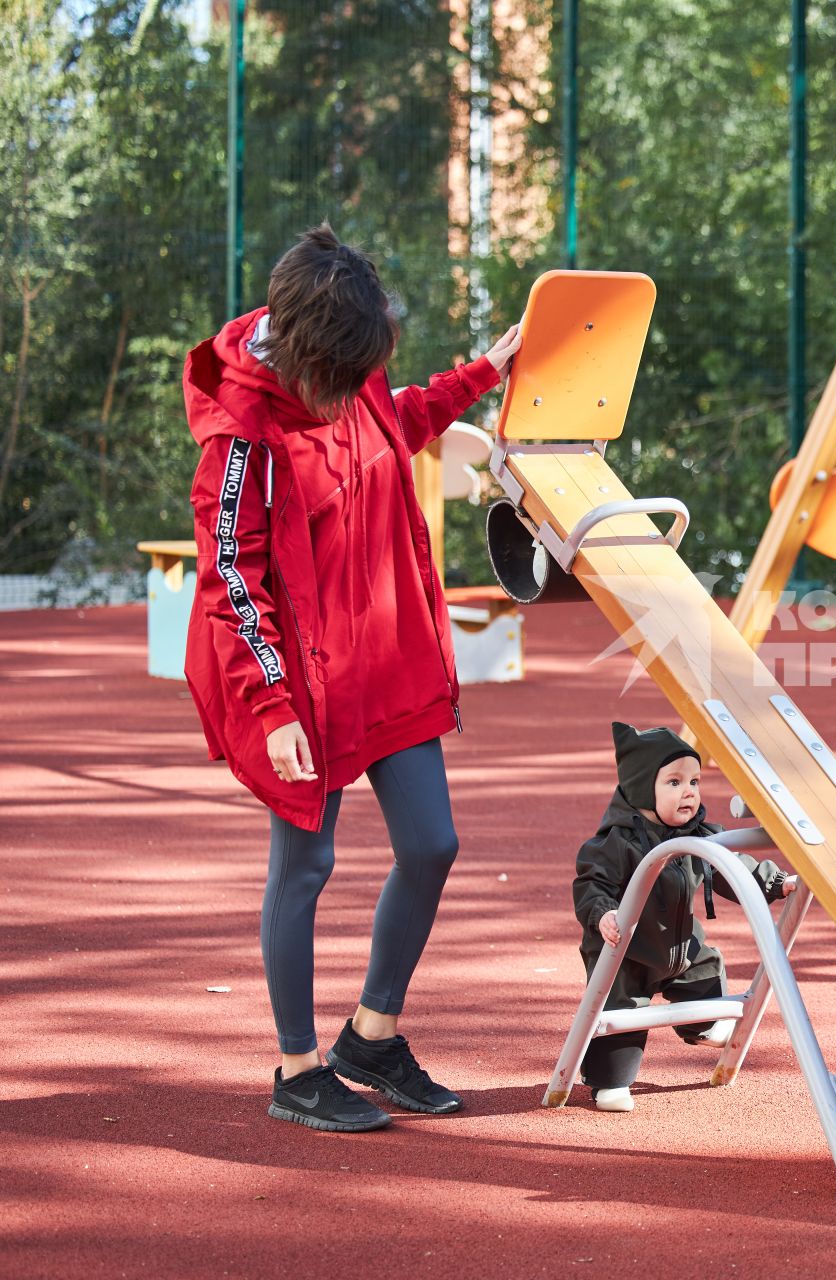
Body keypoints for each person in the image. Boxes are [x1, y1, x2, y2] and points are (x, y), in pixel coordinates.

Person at [182, 223, 523, 1133]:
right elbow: (230, 581)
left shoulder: (350, 354)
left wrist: (478, 373)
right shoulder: (242, 438)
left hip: (385, 652)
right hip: (298, 681)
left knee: (432, 844)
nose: (355, 388)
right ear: (304, 354)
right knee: (307, 865)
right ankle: (298, 1072)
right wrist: (272, 707)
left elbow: (396, 423)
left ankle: (371, 1038)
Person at [572, 724, 795, 1112]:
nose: (689, 791)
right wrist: (602, 913)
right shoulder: (616, 843)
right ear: (643, 789)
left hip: (680, 948)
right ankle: (610, 1082)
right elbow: (592, 882)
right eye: (673, 782)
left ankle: (702, 1025)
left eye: (694, 780)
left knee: (706, 966)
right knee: (618, 1010)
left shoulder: (698, 835)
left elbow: (730, 866)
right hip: (626, 952)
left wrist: (774, 882)